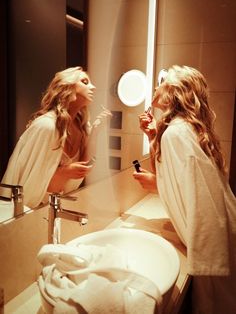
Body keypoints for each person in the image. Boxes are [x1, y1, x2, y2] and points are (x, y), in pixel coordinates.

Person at [133, 65, 236, 314]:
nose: (156, 86)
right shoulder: (180, 130)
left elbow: (201, 200)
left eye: (162, 80)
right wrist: (153, 136)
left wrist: (207, 265)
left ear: (175, 92)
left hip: (216, 246)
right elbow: (178, 180)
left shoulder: (176, 134)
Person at [1, 66, 112, 209]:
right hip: (30, 211)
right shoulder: (46, 126)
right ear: (68, 87)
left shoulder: (82, 126)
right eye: (85, 82)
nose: (93, 87)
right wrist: (64, 172)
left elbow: (82, 169)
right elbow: (29, 186)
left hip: (56, 207)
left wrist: (96, 131)